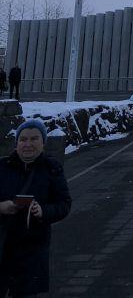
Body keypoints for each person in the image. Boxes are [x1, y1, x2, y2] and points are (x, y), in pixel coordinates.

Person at [0, 118, 72, 296]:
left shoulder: (51, 169)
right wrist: (1, 207)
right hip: (2, 243)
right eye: (23, 139)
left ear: (43, 143)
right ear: (16, 143)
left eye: (34, 139)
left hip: (33, 248)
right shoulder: (2, 167)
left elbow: (64, 203)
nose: (28, 144)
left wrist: (43, 211)